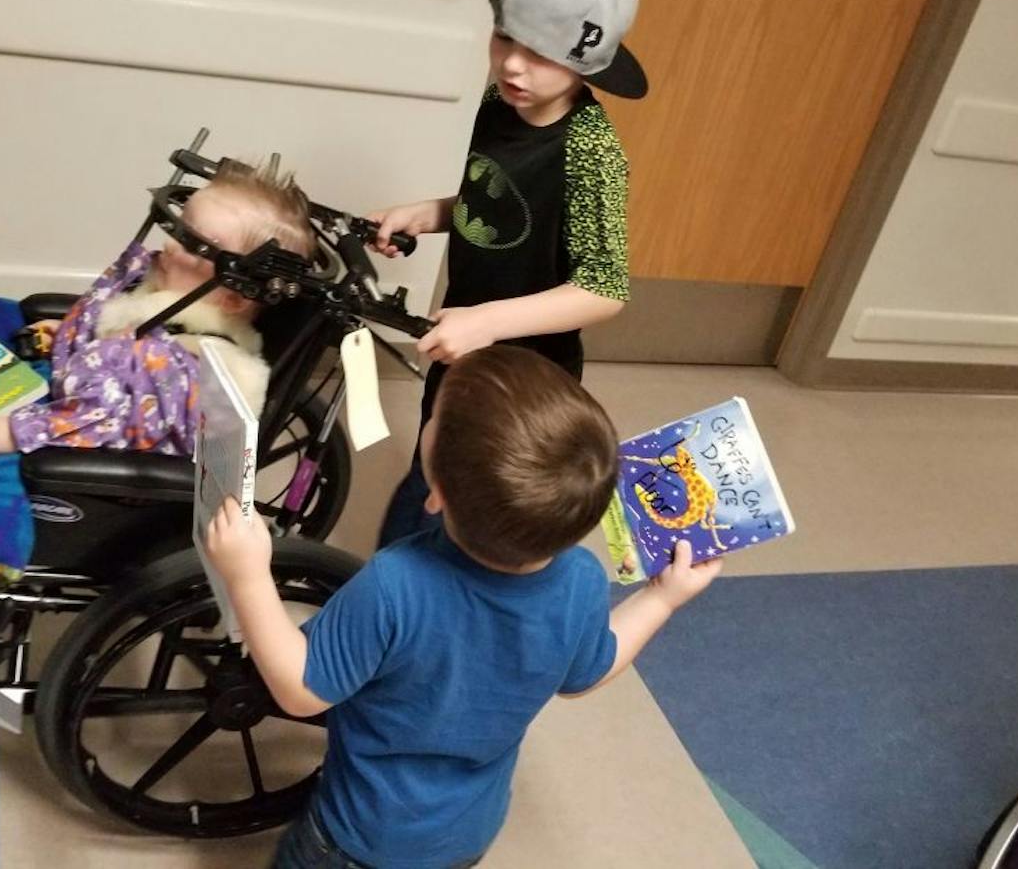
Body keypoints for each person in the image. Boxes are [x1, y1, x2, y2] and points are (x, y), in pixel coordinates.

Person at [204, 346, 721, 868]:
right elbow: (590, 670)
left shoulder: (395, 585)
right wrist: (662, 598)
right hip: (466, 834)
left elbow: (301, 690)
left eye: (433, 418)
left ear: (435, 495)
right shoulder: (582, 583)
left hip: (357, 838)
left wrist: (248, 577)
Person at [369, 0, 646, 547]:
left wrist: (487, 322)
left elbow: (605, 289)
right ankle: (393, 597)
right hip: (463, 342)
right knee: (432, 466)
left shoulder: (590, 150)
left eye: (542, 53)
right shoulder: (501, 101)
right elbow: (495, 201)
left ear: (586, 58)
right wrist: (430, 212)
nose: (514, 64)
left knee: (477, 497)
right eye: (504, 39)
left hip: (526, 374)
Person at [0, 161, 314, 472]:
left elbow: (98, 420)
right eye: (180, 227)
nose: (171, 244)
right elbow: (114, 332)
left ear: (232, 299)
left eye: (196, 245)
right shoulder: (166, 295)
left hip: (83, 458)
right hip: (68, 387)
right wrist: (72, 335)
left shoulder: (175, 367)